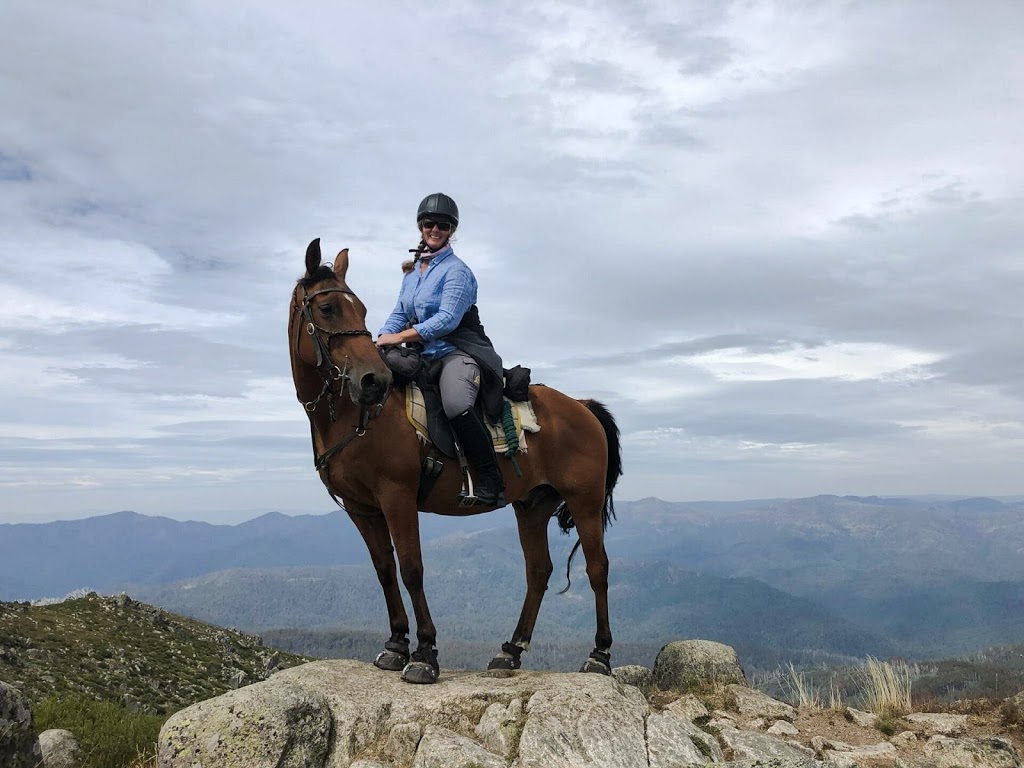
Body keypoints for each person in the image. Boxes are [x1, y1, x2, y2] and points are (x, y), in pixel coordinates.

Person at [376, 193, 506, 507]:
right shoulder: (411, 274)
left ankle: (491, 480)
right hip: (423, 354)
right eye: (429, 224)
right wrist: (382, 337)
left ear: (451, 230)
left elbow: (446, 320)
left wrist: (398, 339)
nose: (435, 229)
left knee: (455, 403)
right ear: (421, 227)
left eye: (443, 225)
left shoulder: (457, 272)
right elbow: (399, 312)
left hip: (456, 352)